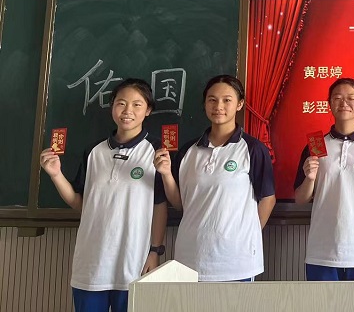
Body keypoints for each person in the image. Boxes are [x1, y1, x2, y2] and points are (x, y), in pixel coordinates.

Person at [40, 78, 167, 312]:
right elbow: (81, 203)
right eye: (121, 103)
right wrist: (56, 175)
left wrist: (155, 250)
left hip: (133, 262)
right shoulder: (94, 151)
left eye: (137, 105)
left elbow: (160, 205)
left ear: (148, 110)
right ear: (112, 107)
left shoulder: (157, 152)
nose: (127, 111)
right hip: (91, 262)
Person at [155, 75, 275, 282]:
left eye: (227, 100)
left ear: (240, 104)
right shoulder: (188, 151)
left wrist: (247, 238)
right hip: (190, 258)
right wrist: (166, 174)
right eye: (212, 100)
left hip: (236, 262)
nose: (219, 106)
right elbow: (181, 203)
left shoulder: (253, 149)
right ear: (204, 104)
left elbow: (268, 199)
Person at [294, 78, 354, 280]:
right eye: (337, 98)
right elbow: (300, 199)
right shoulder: (316, 145)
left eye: (351, 98)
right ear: (329, 103)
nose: (344, 103)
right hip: (322, 250)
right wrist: (310, 179)